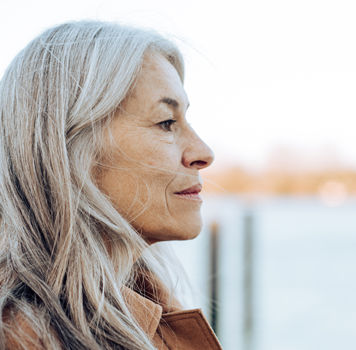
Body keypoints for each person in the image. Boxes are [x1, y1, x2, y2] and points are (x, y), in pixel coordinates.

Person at [0, 21, 221, 349]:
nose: (203, 153)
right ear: (68, 148)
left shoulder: (147, 312)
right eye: (165, 123)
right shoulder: (26, 337)